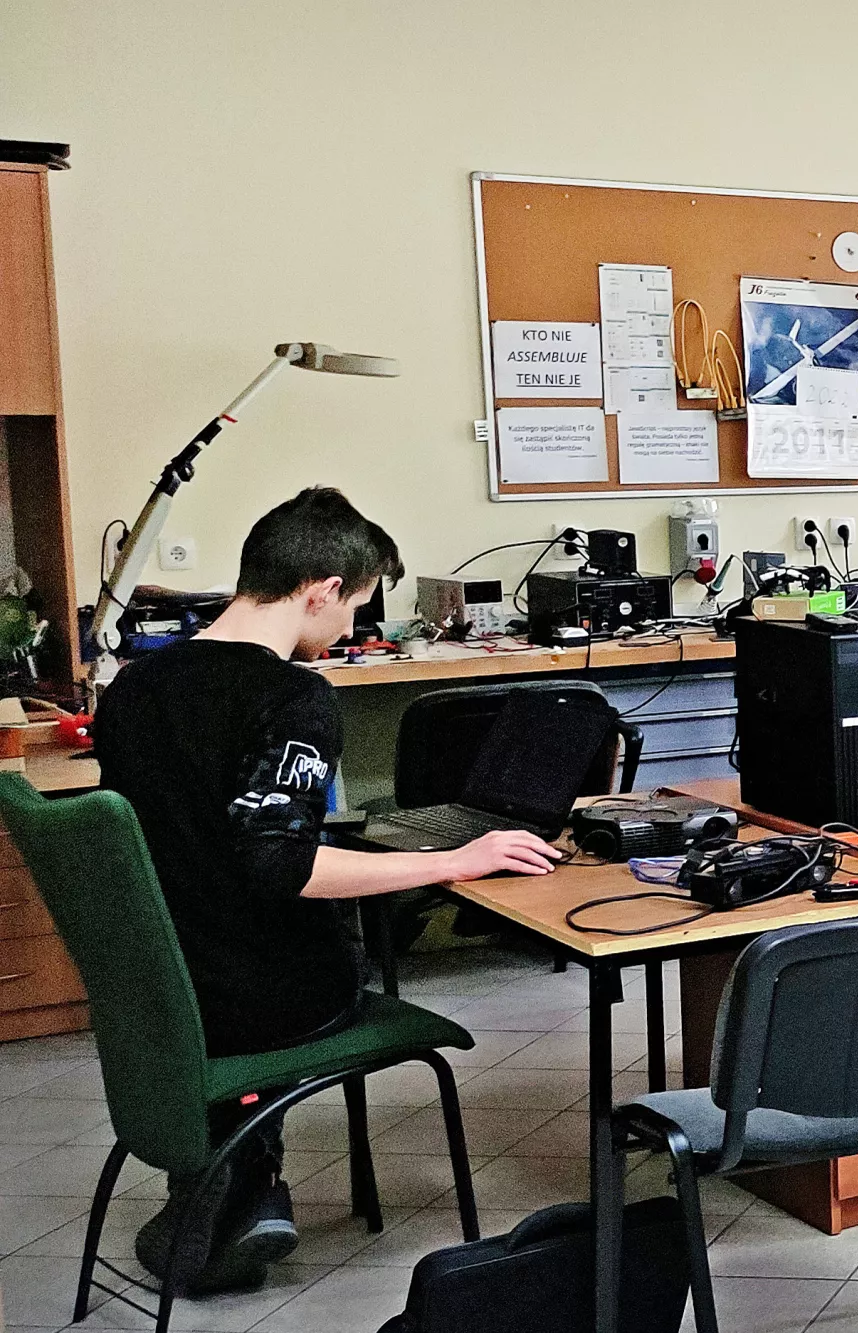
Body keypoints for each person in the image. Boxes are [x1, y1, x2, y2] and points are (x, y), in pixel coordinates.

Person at [94, 488, 559, 1294]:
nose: (353, 631)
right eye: (353, 608)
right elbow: (283, 866)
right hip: (274, 994)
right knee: (337, 950)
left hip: (169, 985)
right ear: (319, 589)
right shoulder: (293, 696)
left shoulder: (134, 686)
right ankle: (240, 1182)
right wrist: (457, 859)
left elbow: (204, 829)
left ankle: (234, 1179)